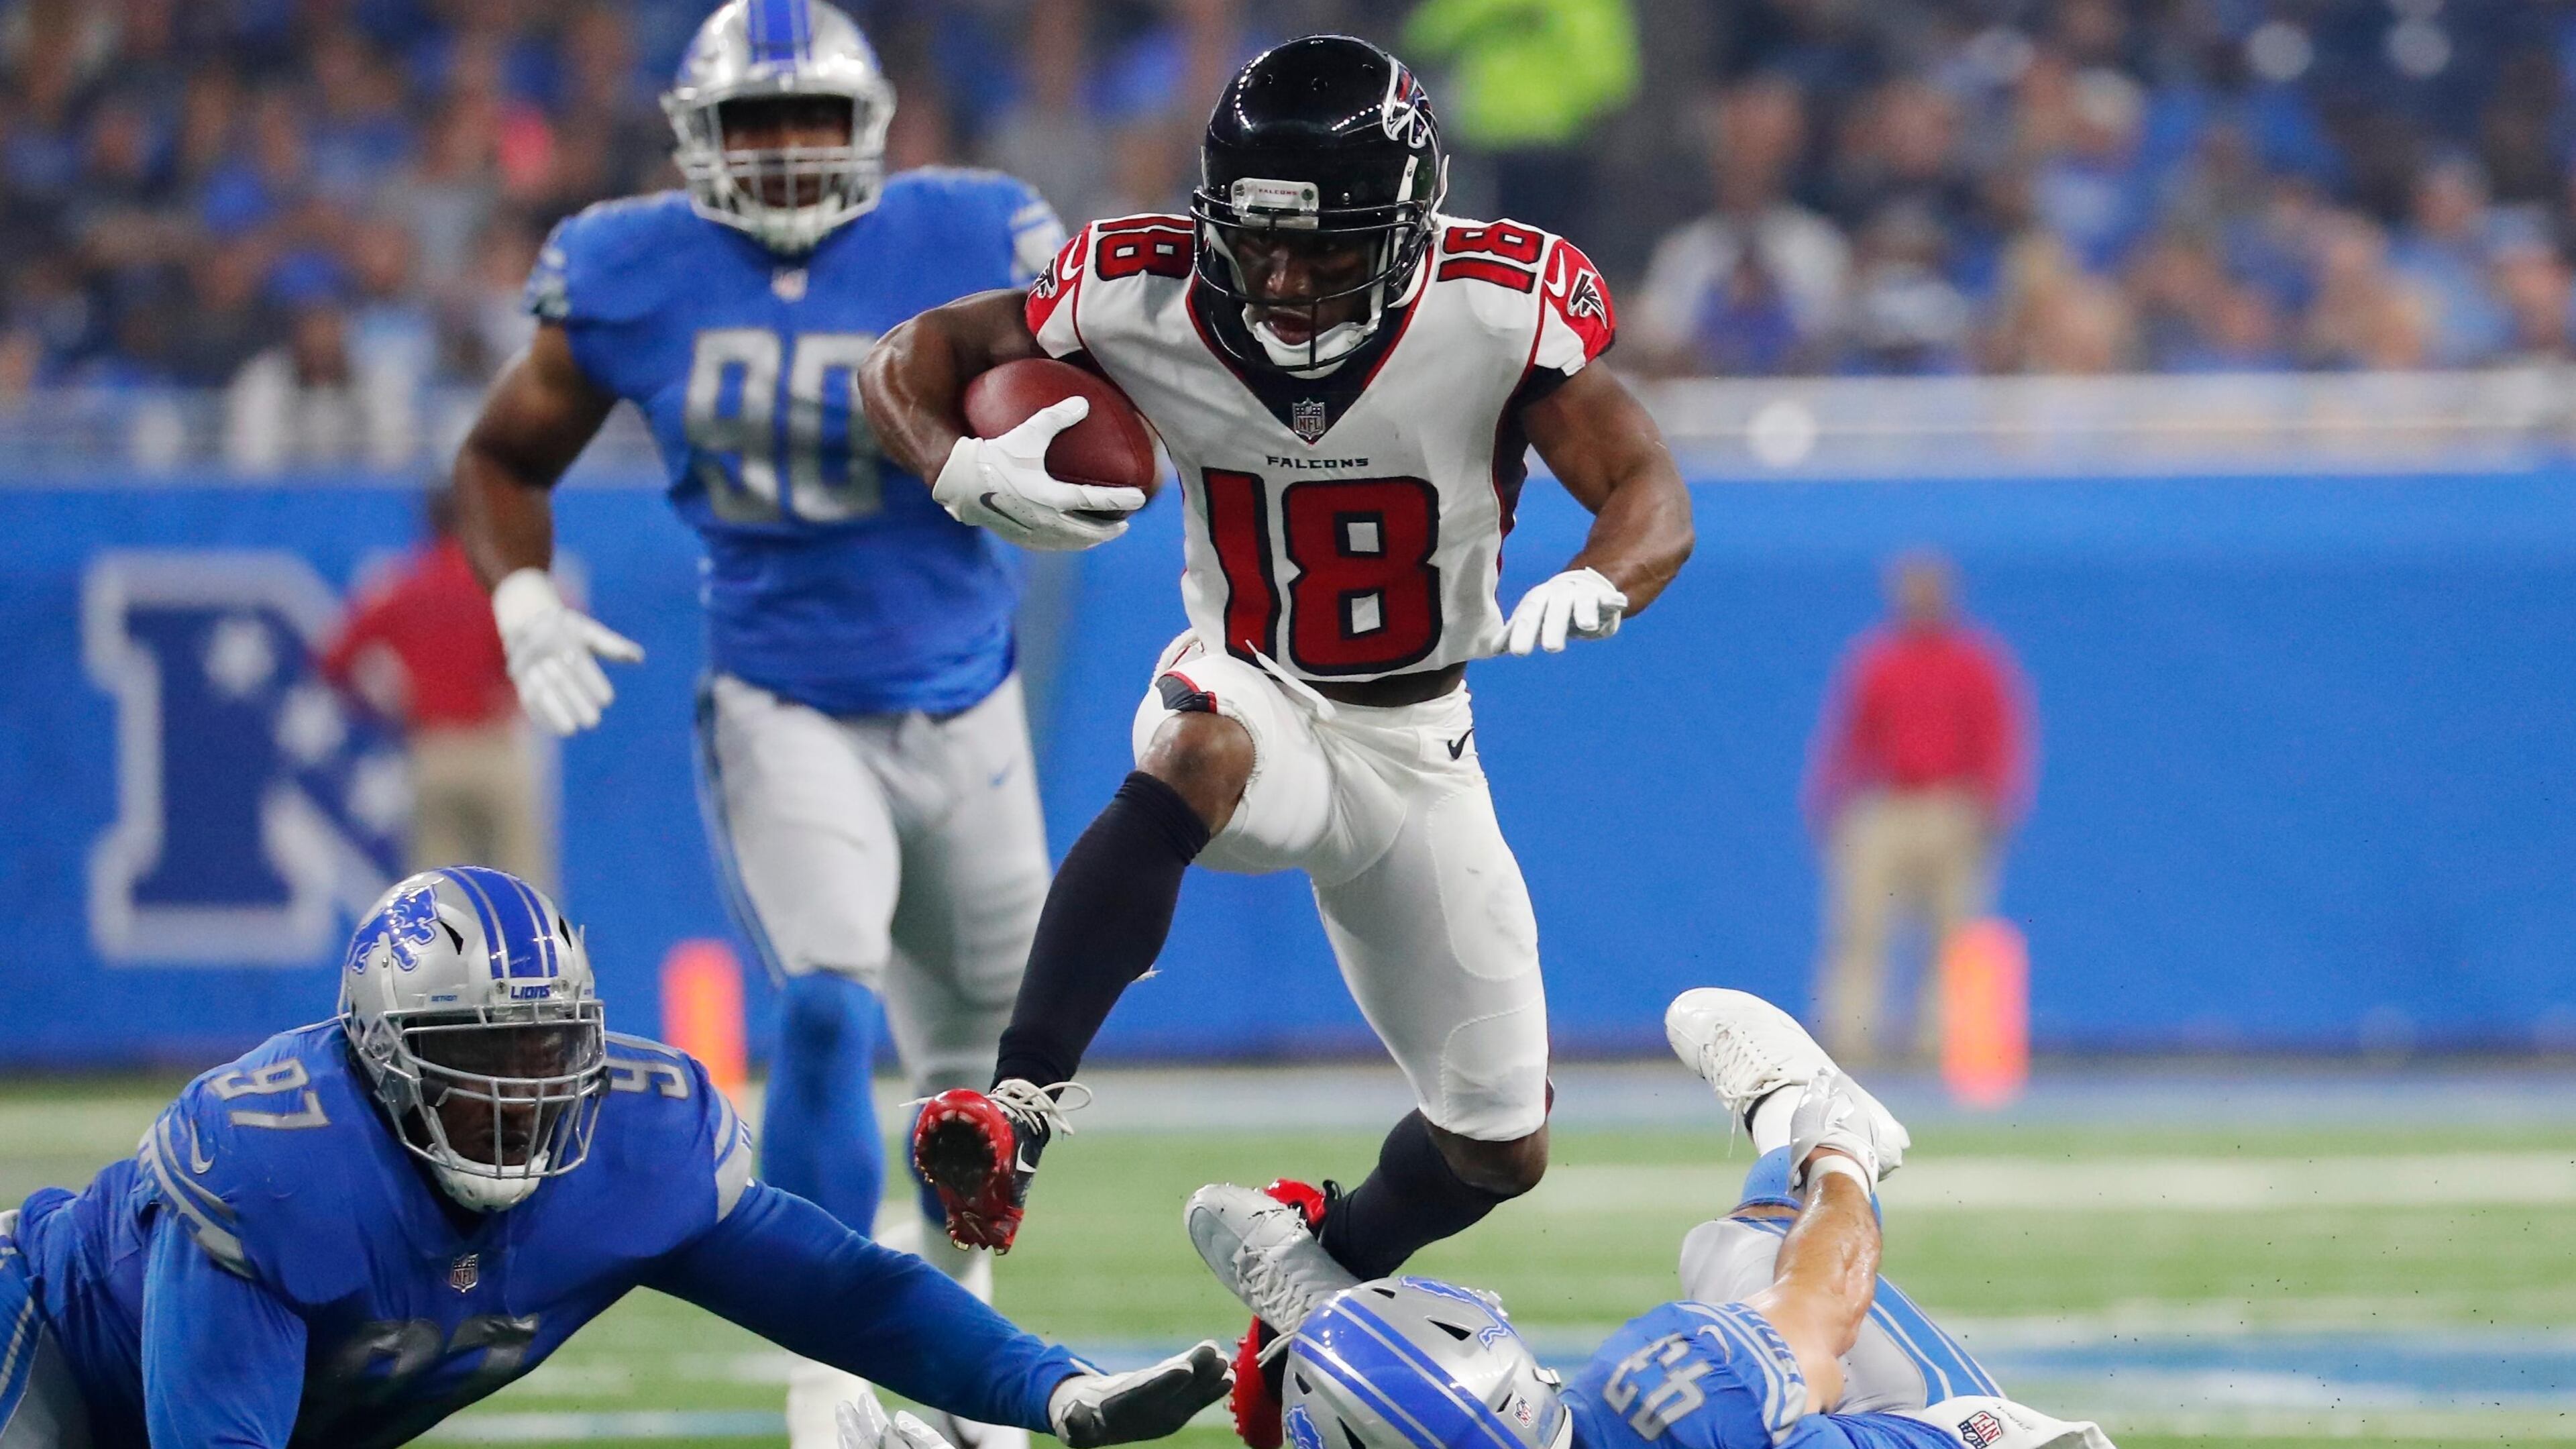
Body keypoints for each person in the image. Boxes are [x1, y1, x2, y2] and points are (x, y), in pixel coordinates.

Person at [856, 32, 1693, 1448]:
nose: (1289, 282)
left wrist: (1607, 574)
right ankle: (1016, 1113)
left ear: (1412, 223)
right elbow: (916, 357)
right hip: (1252, 680)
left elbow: (1646, 483)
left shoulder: (1492, 309)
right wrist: (952, 461)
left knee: (1499, 1147)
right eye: (1262, 246)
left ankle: (1312, 1260)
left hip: (1422, 739)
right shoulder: (1141, 288)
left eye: (1328, 250)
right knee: (1200, 749)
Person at [446, 3, 1068, 1442]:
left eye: (809, 122)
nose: (786, 154)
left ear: (870, 129)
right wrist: (522, 596)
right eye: (753, 125)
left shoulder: (973, 234)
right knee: (826, 998)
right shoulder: (631, 265)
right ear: (696, 142)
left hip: (968, 699)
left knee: (991, 1082)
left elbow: (1108, 387)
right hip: (782, 694)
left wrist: (1066, 457)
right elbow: (500, 453)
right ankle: (827, 1359)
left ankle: (952, 1336)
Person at [0, 866, 1230, 1449]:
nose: (524, 1092)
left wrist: (1051, 1388)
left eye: (548, 1051)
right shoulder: (279, 1173)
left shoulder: (631, 1144)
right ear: (379, 1058)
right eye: (481, 1057)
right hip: (46, 1351)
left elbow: (847, 1288)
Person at [1184, 987, 2116, 1449]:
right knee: (1740, 1249)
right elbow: (1824, 1299)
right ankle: (1802, 1110)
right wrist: (1837, 1163)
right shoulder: (1663, 1397)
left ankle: (1324, 1308)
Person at [1803, 553, 2030, 1067]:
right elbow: (1850, 736)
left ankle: (1940, 1044)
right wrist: (1830, 799)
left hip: (1952, 806)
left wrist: (1996, 804)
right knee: (1861, 930)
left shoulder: (1974, 661)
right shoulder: (1877, 660)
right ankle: (1851, 1040)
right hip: (1887, 806)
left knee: (1954, 936)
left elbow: (1997, 734)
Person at [317, 488, 549, 885]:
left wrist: (377, 711)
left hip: (433, 751)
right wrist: (511, 695)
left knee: (437, 907)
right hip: (491, 747)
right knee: (521, 896)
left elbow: (333, 660)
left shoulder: (404, 585)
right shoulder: (495, 585)